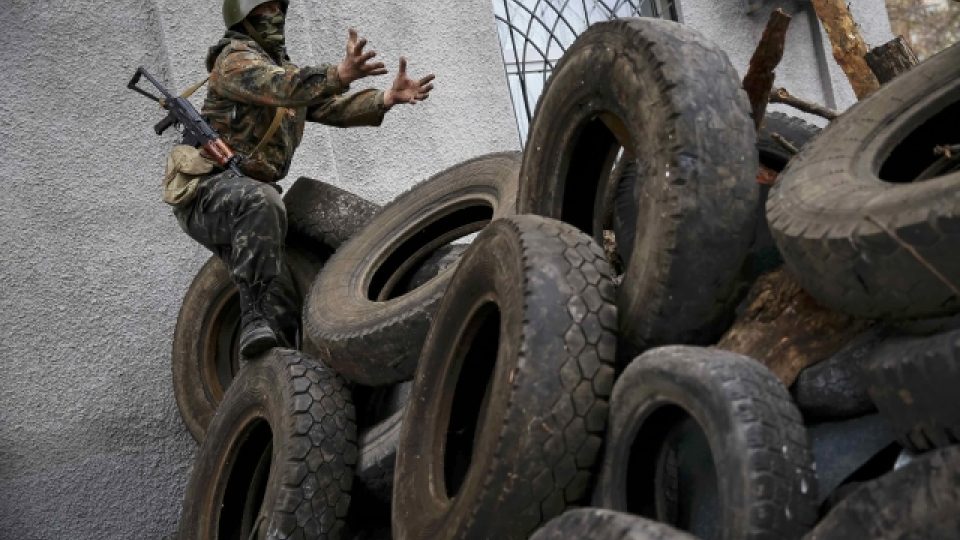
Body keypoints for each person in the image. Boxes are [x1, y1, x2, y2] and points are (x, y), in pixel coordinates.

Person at [171, 0, 434, 358]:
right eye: (263, 11)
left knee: (282, 292)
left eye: (278, 8)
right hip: (207, 192)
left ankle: (278, 369)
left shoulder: (286, 71)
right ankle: (252, 319)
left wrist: (384, 99)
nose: (274, 16)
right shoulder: (233, 61)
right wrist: (338, 74)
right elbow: (282, 88)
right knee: (261, 202)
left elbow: (329, 107)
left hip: (250, 194)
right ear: (243, 19)